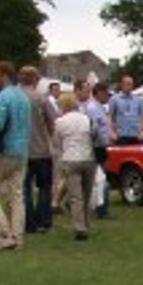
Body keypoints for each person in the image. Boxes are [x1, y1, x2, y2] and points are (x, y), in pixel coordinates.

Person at [0, 60, 30, 251]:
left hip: (6, 150)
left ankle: (5, 233)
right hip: (22, 150)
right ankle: (18, 237)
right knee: (17, 194)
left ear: (4, 76)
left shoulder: (2, 98)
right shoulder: (23, 97)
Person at [52, 92, 97, 241]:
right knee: (86, 194)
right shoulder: (85, 118)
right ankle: (87, 223)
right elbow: (93, 135)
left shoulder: (60, 122)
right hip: (88, 158)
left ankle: (79, 226)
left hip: (70, 159)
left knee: (76, 197)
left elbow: (57, 142)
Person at [19, 66, 56, 233]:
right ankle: (44, 220)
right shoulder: (42, 98)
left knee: (24, 188)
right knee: (44, 187)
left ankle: (28, 222)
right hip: (41, 149)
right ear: (35, 79)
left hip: (21, 150)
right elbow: (52, 122)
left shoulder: (14, 97)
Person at [85, 81, 113, 218]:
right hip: (97, 147)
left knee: (100, 179)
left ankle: (99, 206)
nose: (108, 96)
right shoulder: (93, 109)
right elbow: (95, 129)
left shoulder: (99, 108)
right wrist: (103, 141)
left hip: (100, 146)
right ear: (99, 93)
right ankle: (102, 209)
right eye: (106, 93)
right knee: (100, 179)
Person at [108, 74, 143, 146]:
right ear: (122, 85)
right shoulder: (114, 99)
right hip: (121, 135)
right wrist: (111, 132)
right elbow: (110, 116)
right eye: (128, 84)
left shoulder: (138, 99)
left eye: (131, 84)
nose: (130, 86)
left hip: (136, 135)